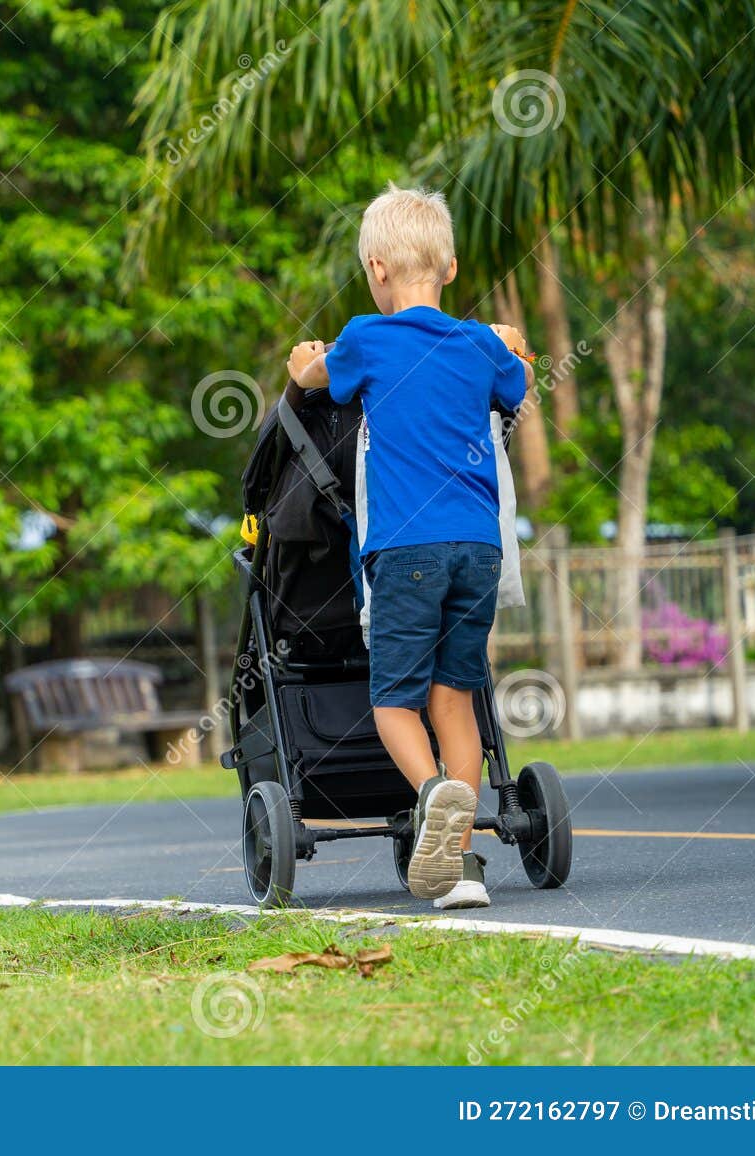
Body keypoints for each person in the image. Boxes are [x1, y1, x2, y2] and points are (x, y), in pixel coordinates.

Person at [286, 184, 531, 909]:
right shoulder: (478, 344)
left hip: (406, 548)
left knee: (394, 698)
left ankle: (432, 797)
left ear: (377, 269)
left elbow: (315, 379)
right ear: (450, 268)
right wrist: (507, 341)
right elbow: (516, 381)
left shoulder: (366, 336)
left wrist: (303, 360)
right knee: (456, 696)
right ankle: (453, 868)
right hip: (478, 549)